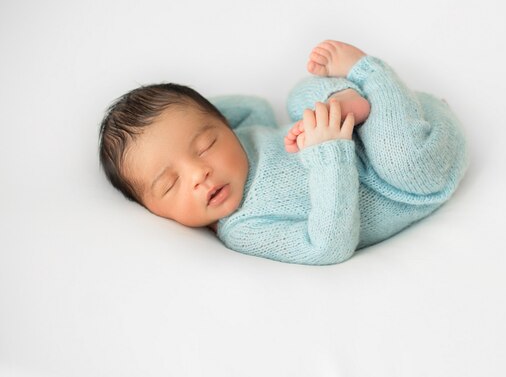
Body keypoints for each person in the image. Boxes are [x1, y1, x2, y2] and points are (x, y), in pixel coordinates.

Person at [99, 40, 469, 265]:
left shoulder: (241, 135)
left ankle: (347, 102)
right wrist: (329, 154)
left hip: (385, 121)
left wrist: (191, 111)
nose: (199, 174)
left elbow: (255, 107)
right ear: (155, 212)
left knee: (297, 97)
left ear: (222, 123)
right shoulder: (245, 228)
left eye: (205, 145)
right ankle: (370, 73)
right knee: (398, 159)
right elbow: (327, 247)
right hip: (409, 177)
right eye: (170, 184)